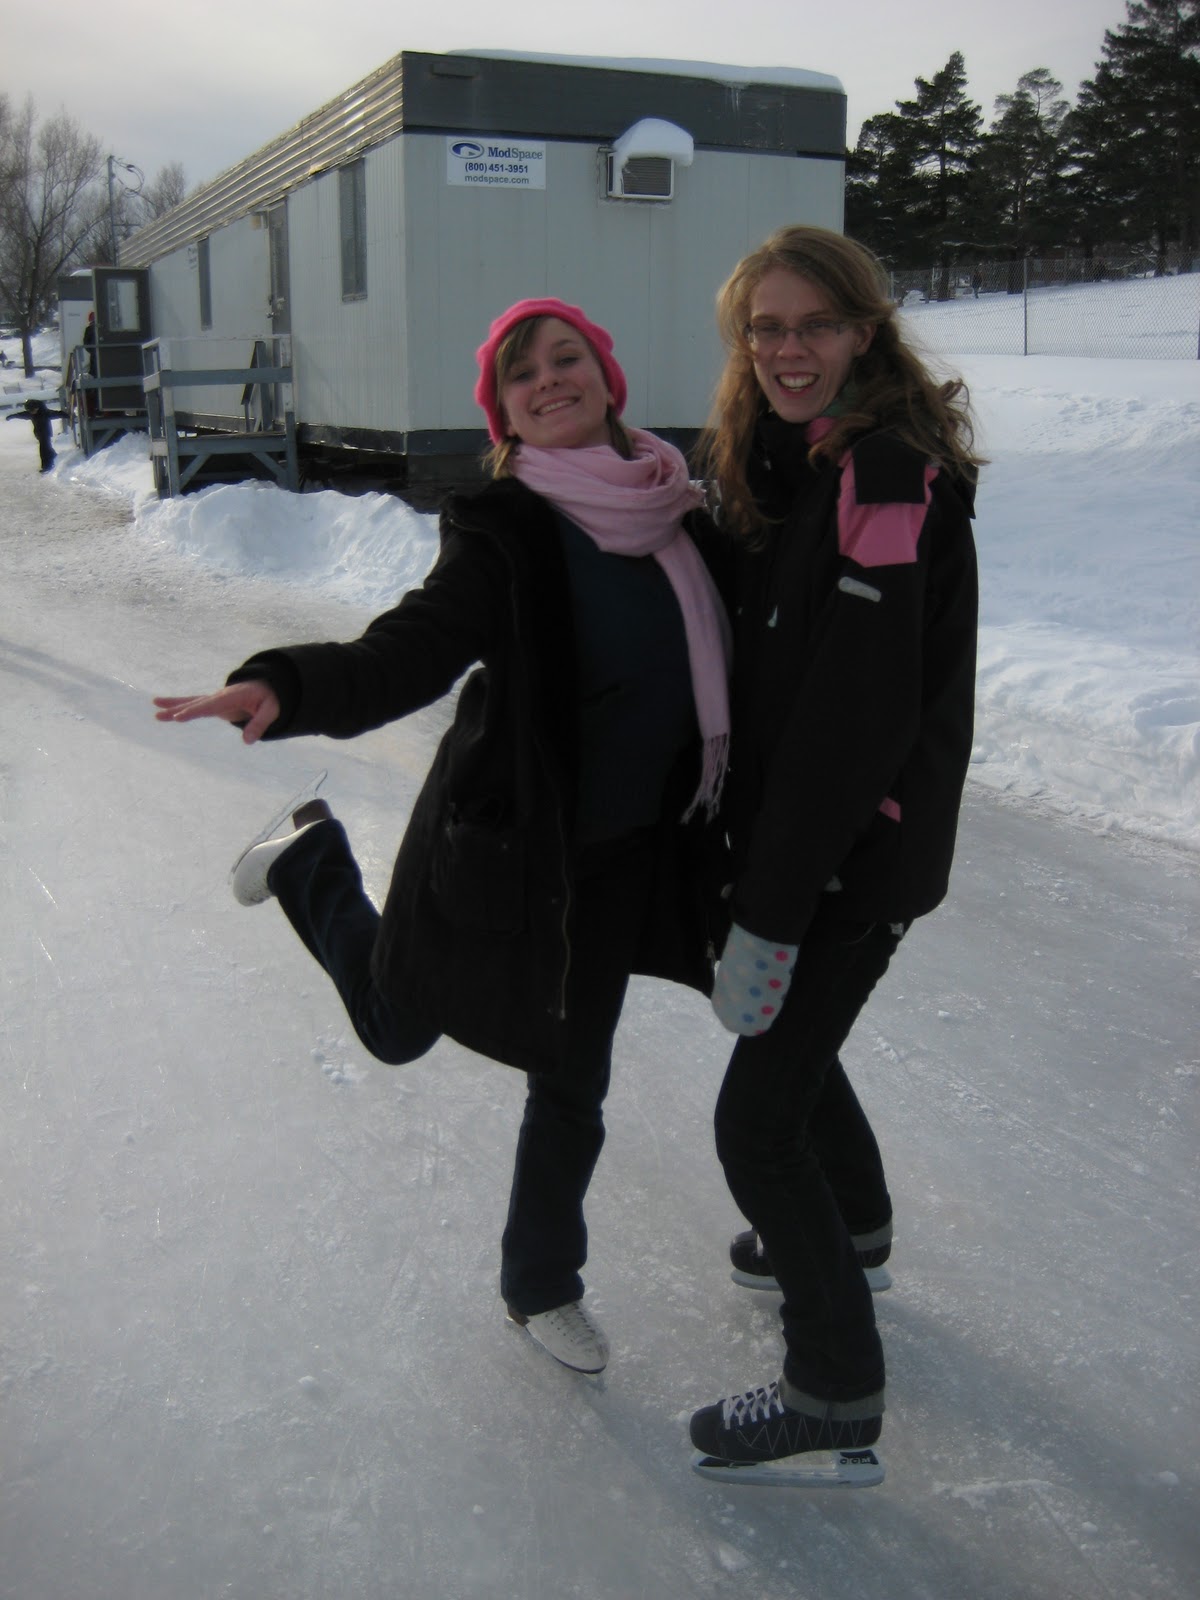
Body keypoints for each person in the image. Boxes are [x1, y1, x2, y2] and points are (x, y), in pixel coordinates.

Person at [154, 298, 731, 1377]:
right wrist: (284, 684)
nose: (548, 380)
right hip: (501, 847)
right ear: (503, 412)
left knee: (572, 1080)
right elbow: (407, 650)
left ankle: (540, 1284)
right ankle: (309, 860)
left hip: (617, 859)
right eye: (522, 373)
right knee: (395, 1028)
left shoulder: (680, 512)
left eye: (566, 358)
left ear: (607, 376)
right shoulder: (506, 532)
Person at [687, 225, 980, 1480]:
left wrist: (774, 901)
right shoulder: (795, 462)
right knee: (800, 1051)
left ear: (864, 330)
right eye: (766, 327)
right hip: (825, 846)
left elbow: (856, 719)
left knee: (757, 1124)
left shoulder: (887, 480)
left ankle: (835, 1387)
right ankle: (852, 1226)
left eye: (814, 325)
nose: (787, 349)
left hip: (855, 854)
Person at [6, 397, 66, 472]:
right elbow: (20, 415)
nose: (32, 412)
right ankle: (54, 456)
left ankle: (47, 466)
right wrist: (11, 416)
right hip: (39, 434)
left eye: (33, 410)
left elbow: (56, 414)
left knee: (44, 450)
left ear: (37, 407)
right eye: (30, 411)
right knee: (47, 448)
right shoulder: (30, 414)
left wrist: (67, 415)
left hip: (46, 433)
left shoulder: (45, 413)